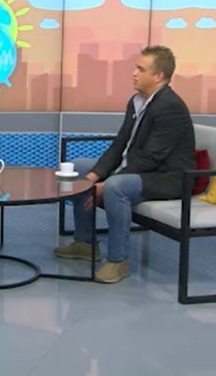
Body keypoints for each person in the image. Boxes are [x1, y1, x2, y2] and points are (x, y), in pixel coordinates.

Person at [54, 46, 195, 283]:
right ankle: (85, 243)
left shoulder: (170, 107)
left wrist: (106, 182)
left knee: (115, 187)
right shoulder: (137, 101)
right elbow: (120, 144)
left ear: (158, 76)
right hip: (138, 169)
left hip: (166, 177)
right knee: (79, 168)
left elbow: (150, 158)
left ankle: (118, 261)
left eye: (141, 69)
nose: (134, 73)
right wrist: (93, 176)